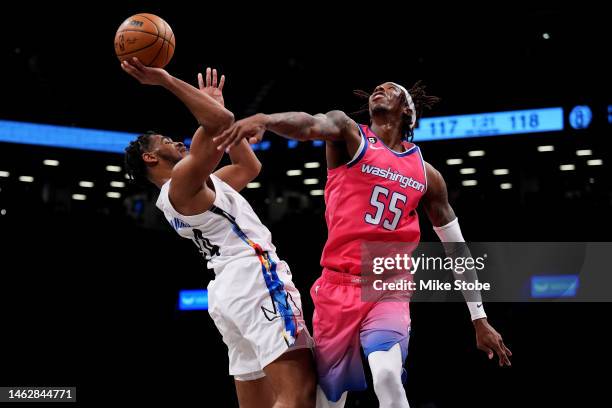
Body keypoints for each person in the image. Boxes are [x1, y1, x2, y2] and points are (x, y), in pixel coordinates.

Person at [214, 81, 512, 407]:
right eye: (378, 87)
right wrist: (267, 119)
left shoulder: (428, 176)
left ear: (408, 110)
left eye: (392, 88)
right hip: (337, 287)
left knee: (386, 375)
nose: (381, 87)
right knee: (328, 401)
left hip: (388, 287)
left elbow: (457, 249)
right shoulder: (349, 135)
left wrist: (478, 318)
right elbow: (310, 124)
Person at [121, 58, 316, 408]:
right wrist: (167, 81)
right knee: (298, 394)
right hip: (254, 277)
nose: (177, 142)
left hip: (229, 291)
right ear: (151, 158)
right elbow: (221, 123)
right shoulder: (181, 182)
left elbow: (248, 166)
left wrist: (215, 109)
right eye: (165, 140)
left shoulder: (195, 189)